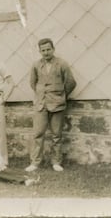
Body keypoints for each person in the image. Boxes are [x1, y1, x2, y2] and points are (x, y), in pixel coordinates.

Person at [25, 38, 76, 172]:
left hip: (57, 104)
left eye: (48, 49)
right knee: (38, 134)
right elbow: (33, 83)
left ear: (53, 49)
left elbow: (70, 82)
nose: (46, 52)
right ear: (40, 51)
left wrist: (61, 95)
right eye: (43, 50)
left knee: (56, 135)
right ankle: (35, 163)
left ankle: (56, 162)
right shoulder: (36, 65)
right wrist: (41, 94)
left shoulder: (62, 64)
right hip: (41, 104)